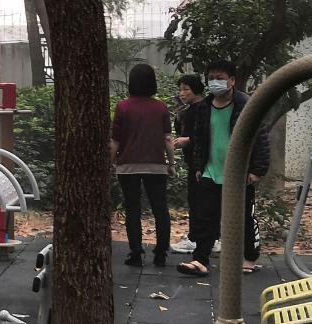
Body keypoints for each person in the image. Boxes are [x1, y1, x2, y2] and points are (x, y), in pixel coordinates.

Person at [178, 59, 269, 279]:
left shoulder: (246, 105)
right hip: (210, 170)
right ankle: (200, 260)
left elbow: (260, 138)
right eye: (211, 78)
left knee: (244, 217)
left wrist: (257, 169)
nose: (215, 82)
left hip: (239, 173)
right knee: (205, 217)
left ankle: (249, 256)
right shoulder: (204, 107)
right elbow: (200, 138)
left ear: (231, 80)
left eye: (220, 78)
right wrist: (198, 166)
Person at [110, 62, 175, 267]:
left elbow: (115, 141)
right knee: (160, 209)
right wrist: (171, 163)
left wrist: (110, 162)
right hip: (156, 166)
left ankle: (136, 253)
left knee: (132, 209)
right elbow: (167, 139)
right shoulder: (160, 107)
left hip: (128, 166)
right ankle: (161, 253)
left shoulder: (122, 107)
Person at [172, 74, 206, 255]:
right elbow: (183, 131)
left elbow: (205, 135)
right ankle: (205, 237)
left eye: (186, 89)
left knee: (198, 201)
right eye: (180, 89)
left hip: (201, 163)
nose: (182, 93)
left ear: (197, 90)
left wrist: (188, 140)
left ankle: (196, 239)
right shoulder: (189, 109)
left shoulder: (203, 109)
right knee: (196, 200)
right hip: (192, 162)